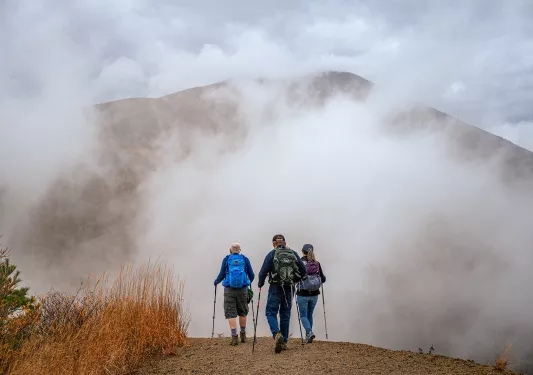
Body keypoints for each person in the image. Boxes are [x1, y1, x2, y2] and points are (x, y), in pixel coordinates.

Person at [257, 234, 306, 353]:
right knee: (285, 314)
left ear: (274, 243)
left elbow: (263, 272)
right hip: (289, 288)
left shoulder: (272, 254)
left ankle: (276, 334)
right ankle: (284, 342)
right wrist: (296, 280)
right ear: (284, 242)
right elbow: (303, 271)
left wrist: (260, 284)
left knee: (270, 312)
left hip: (275, 287)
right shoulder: (293, 253)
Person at [214, 243, 255, 345]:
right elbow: (252, 275)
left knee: (231, 313)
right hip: (242, 289)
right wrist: (247, 281)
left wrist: (216, 282)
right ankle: (243, 335)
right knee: (243, 312)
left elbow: (221, 275)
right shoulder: (244, 259)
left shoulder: (227, 259)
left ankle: (234, 337)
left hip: (229, 290)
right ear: (240, 250)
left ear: (230, 250)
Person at [296, 244, 326, 343]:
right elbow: (323, 279)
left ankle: (309, 332)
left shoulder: (299, 263)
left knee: (303, 315)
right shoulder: (317, 263)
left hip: (302, 294)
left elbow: (296, 277)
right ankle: (308, 336)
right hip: (314, 294)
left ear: (302, 251)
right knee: (310, 314)